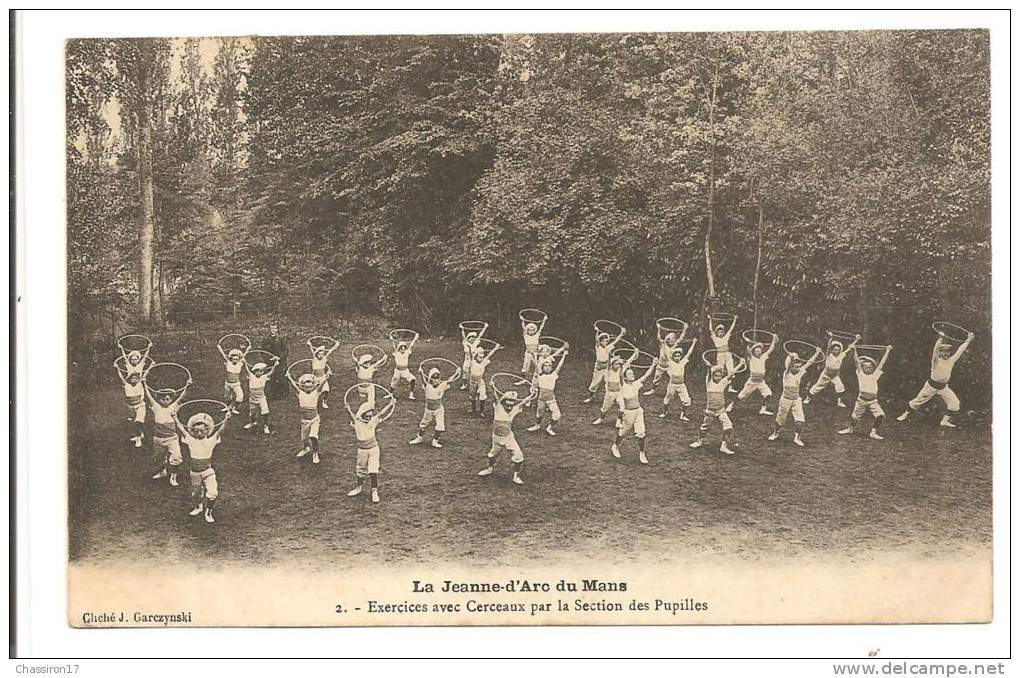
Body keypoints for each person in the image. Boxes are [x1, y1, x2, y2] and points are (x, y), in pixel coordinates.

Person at [897, 331, 974, 428]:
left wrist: (968, 340)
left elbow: (959, 351)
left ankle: (944, 421)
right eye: (943, 352)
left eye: (947, 352)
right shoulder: (936, 362)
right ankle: (905, 414)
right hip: (931, 386)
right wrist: (940, 339)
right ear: (940, 353)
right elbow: (935, 352)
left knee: (955, 403)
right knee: (917, 401)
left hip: (944, 388)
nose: (945, 354)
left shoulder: (951, 360)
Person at [174, 409, 231, 524]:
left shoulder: (211, 441)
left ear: (206, 431)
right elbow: (182, 430)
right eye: (196, 431)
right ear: (193, 432)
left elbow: (220, 431)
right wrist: (175, 418)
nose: (199, 433)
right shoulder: (190, 440)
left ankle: (208, 511)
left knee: (212, 492)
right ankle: (198, 506)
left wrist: (226, 419)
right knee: (196, 493)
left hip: (208, 472)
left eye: (201, 431)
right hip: (194, 473)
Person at [478, 388, 537, 485]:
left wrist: (532, 395)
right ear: (503, 403)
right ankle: (489, 469)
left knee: (519, 456)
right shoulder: (498, 408)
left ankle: (516, 476)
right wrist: (493, 388)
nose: (509, 408)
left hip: (508, 438)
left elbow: (523, 402)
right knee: (492, 454)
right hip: (496, 438)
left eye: (511, 406)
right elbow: (496, 398)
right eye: (508, 405)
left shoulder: (514, 410)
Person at [768, 346, 822, 447]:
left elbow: (809, 363)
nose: (798, 369)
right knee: (780, 420)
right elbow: (788, 365)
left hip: (796, 400)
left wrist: (817, 353)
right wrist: (792, 357)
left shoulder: (800, 372)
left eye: (799, 367)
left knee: (800, 420)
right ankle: (776, 433)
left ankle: (797, 438)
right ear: (791, 366)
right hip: (785, 400)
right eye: (796, 367)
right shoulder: (786, 373)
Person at [610, 350, 658, 464]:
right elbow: (621, 374)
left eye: (633, 374)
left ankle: (642, 453)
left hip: (638, 411)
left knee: (641, 433)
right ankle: (615, 446)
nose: (632, 375)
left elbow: (646, 375)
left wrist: (653, 364)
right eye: (630, 374)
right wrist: (622, 364)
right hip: (628, 413)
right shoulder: (623, 385)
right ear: (625, 378)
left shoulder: (636, 384)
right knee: (623, 432)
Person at [346, 394, 395, 504]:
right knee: (361, 469)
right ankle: (359, 487)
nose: (369, 418)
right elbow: (351, 416)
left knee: (373, 469)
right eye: (366, 416)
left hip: (374, 449)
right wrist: (348, 409)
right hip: (362, 450)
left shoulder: (373, 421)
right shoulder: (357, 422)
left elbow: (382, 413)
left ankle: (374, 491)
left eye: (370, 416)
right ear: (362, 415)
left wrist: (390, 404)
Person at [839, 345, 893, 440]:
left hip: (873, 401)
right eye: (866, 367)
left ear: (872, 368)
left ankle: (873, 432)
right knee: (854, 417)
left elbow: (882, 363)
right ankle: (850, 429)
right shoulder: (860, 374)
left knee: (880, 415)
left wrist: (887, 351)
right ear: (862, 368)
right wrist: (854, 350)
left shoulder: (875, 375)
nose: (868, 369)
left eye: (869, 367)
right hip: (861, 400)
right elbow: (856, 362)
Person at [689, 362, 739, 455]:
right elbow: (708, 373)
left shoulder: (723, 382)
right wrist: (709, 366)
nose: (718, 378)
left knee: (728, 427)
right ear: (712, 376)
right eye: (716, 376)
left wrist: (740, 364)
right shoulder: (709, 383)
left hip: (721, 410)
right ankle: (699, 441)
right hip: (710, 411)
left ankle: (723, 446)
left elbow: (731, 373)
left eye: (720, 376)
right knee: (704, 428)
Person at [409, 364, 460, 448]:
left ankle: (435, 441)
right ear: (430, 379)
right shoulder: (427, 386)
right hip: (428, 409)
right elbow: (423, 380)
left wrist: (457, 372)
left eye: (438, 378)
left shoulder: (442, 386)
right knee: (424, 424)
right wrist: (421, 372)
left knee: (440, 425)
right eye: (434, 378)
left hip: (438, 410)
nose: (436, 380)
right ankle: (419, 438)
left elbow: (450, 380)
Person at [146, 384, 188, 486]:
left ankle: (173, 476)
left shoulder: (173, 407)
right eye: (163, 399)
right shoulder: (156, 407)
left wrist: (187, 385)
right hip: (158, 439)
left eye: (168, 399)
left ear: (171, 399)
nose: (165, 401)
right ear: (159, 400)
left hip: (171, 439)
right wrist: (144, 384)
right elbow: (149, 397)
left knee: (176, 457)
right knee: (159, 458)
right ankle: (162, 471)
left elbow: (181, 397)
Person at [804, 333, 860, 407]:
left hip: (835, 376)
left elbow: (849, 348)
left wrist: (857, 340)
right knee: (817, 387)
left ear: (840, 350)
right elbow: (828, 347)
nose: (836, 351)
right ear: (832, 350)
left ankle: (839, 402)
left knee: (840, 387)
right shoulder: (829, 355)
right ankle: (808, 398)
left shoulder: (841, 355)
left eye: (838, 350)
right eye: (834, 350)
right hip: (825, 375)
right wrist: (830, 338)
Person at [287, 369, 330, 465]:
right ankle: (306, 448)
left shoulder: (316, 393)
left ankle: (315, 453)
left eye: (311, 387)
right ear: (302, 387)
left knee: (313, 437)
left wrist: (327, 376)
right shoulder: (300, 393)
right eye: (306, 387)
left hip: (314, 420)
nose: (309, 389)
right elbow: (293, 385)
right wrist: (289, 377)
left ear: (313, 386)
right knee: (304, 439)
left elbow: (321, 384)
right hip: (304, 421)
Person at [527, 343, 569, 436]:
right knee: (539, 414)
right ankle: (537, 425)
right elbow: (536, 365)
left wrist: (564, 354)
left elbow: (559, 365)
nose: (547, 367)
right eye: (545, 366)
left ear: (551, 368)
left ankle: (549, 427)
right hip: (541, 399)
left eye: (549, 366)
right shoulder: (539, 375)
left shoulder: (554, 375)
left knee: (557, 415)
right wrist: (532, 355)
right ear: (542, 368)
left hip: (551, 399)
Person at [733, 333, 778, 415]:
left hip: (761, 381)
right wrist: (753, 344)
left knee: (768, 393)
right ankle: (732, 405)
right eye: (756, 350)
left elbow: (771, 349)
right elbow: (748, 350)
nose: (758, 351)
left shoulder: (763, 357)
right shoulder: (752, 358)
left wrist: (774, 340)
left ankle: (763, 409)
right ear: (754, 352)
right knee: (742, 396)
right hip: (752, 381)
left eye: (760, 350)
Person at [584, 325, 626, 403]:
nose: (605, 342)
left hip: (607, 366)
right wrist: (597, 331)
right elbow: (596, 340)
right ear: (600, 341)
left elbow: (616, 340)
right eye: (603, 341)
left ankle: (612, 397)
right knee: (594, 383)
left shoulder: (608, 347)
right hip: (599, 367)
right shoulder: (598, 347)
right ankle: (590, 397)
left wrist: (621, 334)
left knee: (608, 381)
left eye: (606, 341)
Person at [658, 339, 697, 420]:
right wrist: (663, 344)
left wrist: (694, 342)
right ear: (673, 357)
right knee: (667, 399)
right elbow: (665, 354)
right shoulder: (670, 363)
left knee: (686, 400)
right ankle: (664, 412)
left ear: (680, 357)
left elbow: (689, 353)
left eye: (678, 356)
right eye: (675, 356)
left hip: (681, 385)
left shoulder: (683, 362)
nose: (677, 357)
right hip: (672, 385)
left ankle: (683, 415)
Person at [243, 357, 280, 435]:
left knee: (265, 412)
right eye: (259, 371)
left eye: (262, 371)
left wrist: (275, 365)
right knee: (252, 412)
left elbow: (271, 372)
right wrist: (244, 361)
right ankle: (253, 423)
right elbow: (246, 369)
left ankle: (265, 426)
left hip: (261, 398)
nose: (261, 373)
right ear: (255, 371)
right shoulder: (251, 376)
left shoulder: (264, 377)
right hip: (252, 398)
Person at [643, 326, 683, 396]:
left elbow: (681, 338)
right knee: (656, 378)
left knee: (674, 377)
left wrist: (685, 328)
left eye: (673, 339)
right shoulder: (663, 345)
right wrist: (658, 328)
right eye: (669, 339)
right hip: (661, 366)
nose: (671, 340)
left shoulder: (675, 345)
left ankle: (677, 390)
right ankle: (653, 390)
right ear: (666, 340)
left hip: (670, 366)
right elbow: (658, 338)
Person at [467, 342, 502, 417]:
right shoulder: (472, 362)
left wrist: (495, 348)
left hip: (480, 382)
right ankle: (473, 409)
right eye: (479, 357)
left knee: (482, 395)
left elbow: (490, 355)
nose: (481, 359)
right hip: (472, 382)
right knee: (472, 396)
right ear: (476, 357)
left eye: (482, 357)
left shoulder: (484, 362)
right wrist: (469, 346)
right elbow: (471, 353)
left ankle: (481, 411)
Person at [116, 366, 146, 448]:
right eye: (132, 378)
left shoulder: (139, 384)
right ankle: (140, 433)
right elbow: (121, 377)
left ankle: (138, 438)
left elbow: (145, 374)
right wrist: (118, 368)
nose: (134, 380)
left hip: (140, 406)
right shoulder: (127, 385)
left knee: (138, 421)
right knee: (133, 423)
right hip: (130, 407)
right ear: (129, 379)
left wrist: (150, 366)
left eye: (136, 378)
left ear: (138, 379)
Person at [709, 313, 739, 393]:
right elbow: (711, 330)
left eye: (722, 332)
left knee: (731, 370)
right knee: (720, 370)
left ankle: (730, 387)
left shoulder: (726, 337)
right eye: (719, 332)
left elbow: (731, 329)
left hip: (728, 354)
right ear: (717, 333)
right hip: (720, 355)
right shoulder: (715, 338)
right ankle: (718, 386)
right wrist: (710, 319)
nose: (721, 333)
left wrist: (735, 319)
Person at [217, 340, 250, 415]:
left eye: (237, 359)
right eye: (234, 359)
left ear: (239, 359)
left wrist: (248, 347)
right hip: (228, 384)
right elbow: (222, 354)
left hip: (236, 384)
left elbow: (244, 354)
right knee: (227, 397)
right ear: (231, 359)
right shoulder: (228, 363)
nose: (235, 360)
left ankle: (234, 407)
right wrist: (219, 347)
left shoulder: (240, 364)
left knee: (240, 397)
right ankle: (228, 407)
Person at [591, 355, 625, 425]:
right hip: (610, 393)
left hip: (619, 392)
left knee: (623, 406)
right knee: (604, 408)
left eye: (618, 364)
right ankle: (601, 418)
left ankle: (618, 421)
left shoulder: (619, 370)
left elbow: (628, 362)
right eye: (615, 364)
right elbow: (608, 362)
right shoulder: (608, 372)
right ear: (611, 365)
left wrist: (635, 353)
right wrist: (609, 353)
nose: (617, 366)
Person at [308, 337, 340, 409]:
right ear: (316, 354)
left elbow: (330, 351)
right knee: (315, 392)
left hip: (323, 378)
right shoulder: (314, 359)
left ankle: (324, 402)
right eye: (319, 354)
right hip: (315, 378)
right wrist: (310, 344)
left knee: (326, 391)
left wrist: (336, 345)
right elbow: (312, 350)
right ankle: (314, 402)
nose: (321, 355)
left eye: (322, 354)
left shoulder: (324, 359)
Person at [390, 332, 420, 400]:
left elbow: (411, 345)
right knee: (394, 382)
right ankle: (390, 394)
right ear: (399, 348)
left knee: (413, 379)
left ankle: (411, 395)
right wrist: (392, 339)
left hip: (405, 371)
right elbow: (394, 346)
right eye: (401, 348)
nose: (403, 349)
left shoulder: (407, 353)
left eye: (404, 348)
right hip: (397, 371)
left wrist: (415, 338)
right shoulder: (396, 353)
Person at [263, 324, 289, 400]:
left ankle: (284, 394)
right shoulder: (266, 339)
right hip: (270, 362)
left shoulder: (281, 338)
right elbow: (263, 351)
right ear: (269, 329)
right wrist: (269, 358)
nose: (273, 330)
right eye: (271, 328)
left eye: (275, 328)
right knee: (271, 377)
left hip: (281, 362)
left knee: (282, 377)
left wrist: (279, 357)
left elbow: (286, 350)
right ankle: (272, 394)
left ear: (277, 329)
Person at [459, 323, 488, 391]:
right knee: (465, 372)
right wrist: (462, 329)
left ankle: (477, 385)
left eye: (474, 338)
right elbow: (463, 336)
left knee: (475, 373)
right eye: (471, 337)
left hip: (474, 361)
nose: (472, 339)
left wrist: (485, 327)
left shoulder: (475, 344)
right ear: (468, 338)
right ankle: (465, 384)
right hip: (467, 360)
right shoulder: (465, 343)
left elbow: (480, 335)